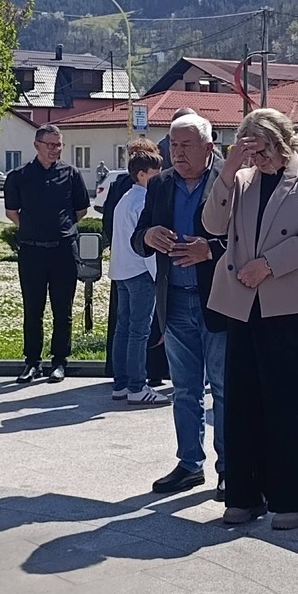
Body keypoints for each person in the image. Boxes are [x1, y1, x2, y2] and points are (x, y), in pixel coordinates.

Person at [201, 108, 298, 530]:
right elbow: (212, 224)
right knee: (240, 399)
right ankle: (244, 495)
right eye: (250, 151)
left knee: (287, 401)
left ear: (281, 142)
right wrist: (228, 172)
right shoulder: (241, 179)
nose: (257, 159)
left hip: (287, 302)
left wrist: (269, 265)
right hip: (241, 301)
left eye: (262, 150)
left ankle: (296, 500)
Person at [133, 112, 231, 492]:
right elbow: (138, 235)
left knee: (223, 389)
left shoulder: (231, 179)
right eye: (173, 144)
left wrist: (211, 250)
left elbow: (246, 239)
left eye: (186, 144)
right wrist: (148, 236)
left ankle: (230, 469)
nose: (177, 152)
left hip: (217, 301)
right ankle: (190, 463)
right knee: (185, 389)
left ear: (209, 147)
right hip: (173, 300)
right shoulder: (160, 184)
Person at [2, 123, 90, 384]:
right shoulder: (19, 176)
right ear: (36, 145)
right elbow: (12, 212)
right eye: (50, 145)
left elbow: (81, 210)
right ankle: (32, 362)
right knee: (33, 309)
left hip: (63, 250)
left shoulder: (71, 174)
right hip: (32, 251)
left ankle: (60, 361)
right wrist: (33, 229)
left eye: (59, 145)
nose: (55, 149)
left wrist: (60, 229)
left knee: (62, 310)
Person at [106, 142, 165, 404]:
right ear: (142, 174)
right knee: (139, 332)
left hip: (122, 271)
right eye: (155, 174)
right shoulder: (142, 201)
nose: (159, 178)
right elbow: (147, 246)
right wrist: (158, 277)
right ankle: (137, 387)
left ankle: (121, 384)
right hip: (141, 272)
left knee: (123, 329)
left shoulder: (125, 199)